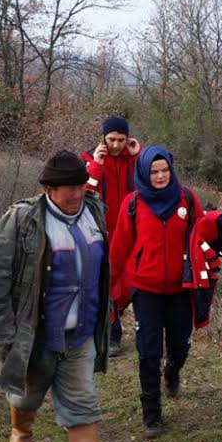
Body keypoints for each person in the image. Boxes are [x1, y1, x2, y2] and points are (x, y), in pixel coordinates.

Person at [0, 151, 119, 442]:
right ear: (49, 189)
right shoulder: (23, 219)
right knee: (27, 392)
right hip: (35, 332)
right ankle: (21, 431)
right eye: (68, 188)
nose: (76, 194)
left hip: (81, 330)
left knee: (83, 399)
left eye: (81, 185)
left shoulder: (95, 212)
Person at [110, 146, 204, 439]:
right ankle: (151, 412)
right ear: (144, 173)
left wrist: (219, 230)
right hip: (145, 290)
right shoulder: (133, 204)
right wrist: (110, 288)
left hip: (180, 289)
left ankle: (173, 370)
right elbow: (120, 248)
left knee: (179, 344)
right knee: (148, 352)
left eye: (165, 170)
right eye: (154, 171)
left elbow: (202, 233)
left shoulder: (186, 199)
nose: (161, 176)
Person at [82, 116, 141, 356]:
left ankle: (116, 325)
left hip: (129, 234)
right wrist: (96, 165)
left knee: (126, 283)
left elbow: (146, 185)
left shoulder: (135, 161)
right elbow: (85, 195)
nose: (116, 145)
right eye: (111, 139)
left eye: (121, 140)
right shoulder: (88, 160)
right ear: (103, 139)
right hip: (99, 234)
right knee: (105, 283)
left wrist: (137, 156)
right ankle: (112, 333)